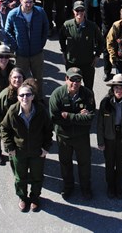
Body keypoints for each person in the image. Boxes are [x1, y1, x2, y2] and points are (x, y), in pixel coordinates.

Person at [0, 80, 52, 212]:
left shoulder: (40, 111)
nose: (25, 98)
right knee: (20, 178)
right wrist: (9, 147)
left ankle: (35, 198)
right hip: (19, 152)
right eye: (22, 95)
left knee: (37, 176)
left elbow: (48, 130)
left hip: (37, 152)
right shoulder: (12, 111)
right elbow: (4, 128)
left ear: (33, 96)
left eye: (28, 95)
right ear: (18, 97)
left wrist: (46, 148)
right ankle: (22, 197)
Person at [49, 68, 96, 200]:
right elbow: (55, 118)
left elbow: (90, 118)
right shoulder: (57, 94)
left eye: (78, 80)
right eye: (72, 79)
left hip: (81, 137)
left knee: (85, 163)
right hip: (64, 137)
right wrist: (78, 118)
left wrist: (68, 116)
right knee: (65, 163)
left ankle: (85, 187)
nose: (75, 83)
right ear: (66, 79)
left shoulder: (87, 94)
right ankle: (68, 186)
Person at [96, 74, 122, 199]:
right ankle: (110, 186)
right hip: (109, 138)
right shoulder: (105, 103)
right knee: (109, 164)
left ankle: (118, 186)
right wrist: (100, 141)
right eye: (116, 88)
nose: (119, 91)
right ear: (112, 89)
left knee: (120, 165)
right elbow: (100, 125)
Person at [4, 0, 49, 90]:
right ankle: (21, 99)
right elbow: (7, 32)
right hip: (21, 55)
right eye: (26, 2)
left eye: (31, 2)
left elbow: (46, 28)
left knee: (38, 79)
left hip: (37, 53)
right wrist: (15, 46)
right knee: (20, 79)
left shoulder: (40, 12)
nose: (29, 5)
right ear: (20, 1)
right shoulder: (13, 14)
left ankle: (39, 99)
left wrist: (41, 43)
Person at [59, 2, 105, 89]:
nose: (79, 13)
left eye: (82, 10)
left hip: (88, 63)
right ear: (73, 11)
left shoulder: (92, 26)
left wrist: (97, 55)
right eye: (77, 10)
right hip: (72, 63)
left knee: (88, 89)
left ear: (85, 11)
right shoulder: (67, 25)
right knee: (72, 88)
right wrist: (64, 52)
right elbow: (61, 39)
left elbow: (101, 41)